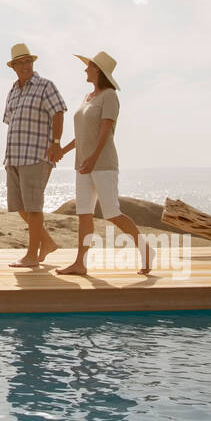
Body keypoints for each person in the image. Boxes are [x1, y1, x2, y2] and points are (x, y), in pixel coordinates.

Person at [55, 51, 153, 276]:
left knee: (111, 213)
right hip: (82, 165)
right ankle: (80, 263)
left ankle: (145, 250)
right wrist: (63, 150)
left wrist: (93, 158)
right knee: (84, 214)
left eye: (88, 66)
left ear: (97, 70)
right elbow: (82, 135)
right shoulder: (87, 97)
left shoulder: (110, 96)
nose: (85, 70)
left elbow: (105, 132)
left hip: (103, 164)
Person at [0, 43, 67, 267]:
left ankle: (31, 256)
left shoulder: (45, 86)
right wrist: (7, 157)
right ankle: (46, 243)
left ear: (32, 63)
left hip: (36, 155)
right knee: (19, 206)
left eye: (28, 61)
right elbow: (11, 123)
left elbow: (58, 112)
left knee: (34, 208)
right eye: (20, 63)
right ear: (14, 67)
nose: (25, 66)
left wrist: (56, 143)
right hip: (15, 157)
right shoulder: (13, 90)